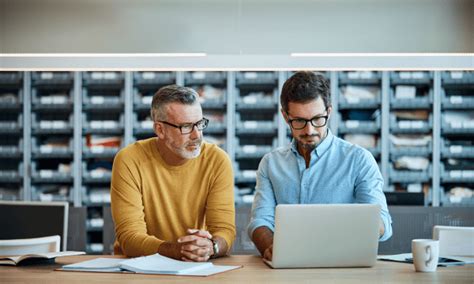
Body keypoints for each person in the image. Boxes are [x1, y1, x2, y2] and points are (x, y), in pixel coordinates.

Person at [247, 71, 392, 261]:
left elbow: (383, 224)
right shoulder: (271, 163)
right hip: (287, 266)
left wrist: (358, 226)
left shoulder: (359, 160)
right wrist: (270, 247)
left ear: (329, 112)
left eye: (317, 119)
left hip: (343, 265)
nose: (309, 130)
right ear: (285, 116)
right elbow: (260, 221)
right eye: (299, 121)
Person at [111, 85, 235, 262]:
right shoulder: (130, 160)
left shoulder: (217, 160)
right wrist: (176, 250)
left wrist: (211, 247)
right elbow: (129, 237)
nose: (197, 135)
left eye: (200, 124)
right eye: (186, 127)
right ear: (160, 129)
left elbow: (225, 230)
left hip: (197, 266)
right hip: (138, 268)